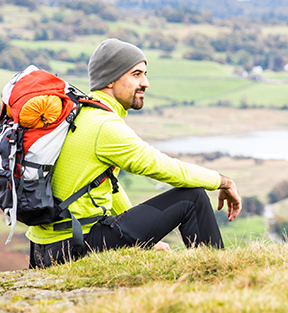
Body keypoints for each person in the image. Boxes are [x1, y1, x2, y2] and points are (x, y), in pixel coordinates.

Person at [27, 38, 242, 268]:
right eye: (136, 74)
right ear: (110, 78)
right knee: (193, 198)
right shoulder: (103, 126)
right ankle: (217, 275)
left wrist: (144, 240)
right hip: (74, 245)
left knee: (190, 197)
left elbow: (109, 187)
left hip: (46, 248)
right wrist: (222, 182)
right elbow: (160, 166)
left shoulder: (80, 113)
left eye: (145, 74)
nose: (146, 82)